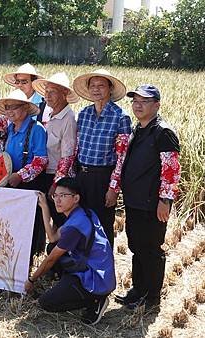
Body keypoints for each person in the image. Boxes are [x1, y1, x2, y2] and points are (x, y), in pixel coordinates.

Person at [116, 85, 181, 310]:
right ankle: (138, 290)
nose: (138, 105)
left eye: (144, 101)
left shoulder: (163, 132)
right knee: (136, 246)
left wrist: (165, 201)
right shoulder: (140, 129)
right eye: (135, 100)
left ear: (157, 105)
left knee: (151, 249)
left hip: (152, 204)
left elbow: (171, 171)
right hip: (135, 201)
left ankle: (152, 297)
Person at [27, 178, 116, 325]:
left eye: (63, 196)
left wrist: (31, 280)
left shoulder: (74, 226)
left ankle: (95, 300)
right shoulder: (82, 213)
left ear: (76, 198)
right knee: (52, 247)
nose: (57, 200)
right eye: (55, 195)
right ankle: (70, 287)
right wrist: (44, 207)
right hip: (96, 268)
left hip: (96, 279)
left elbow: (51, 260)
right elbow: (52, 237)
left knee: (46, 303)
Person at [72, 69, 132, 245]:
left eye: (101, 86)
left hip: (103, 178)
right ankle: (82, 269)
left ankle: (103, 269)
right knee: (81, 223)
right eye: (93, 86)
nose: (96, 89)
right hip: (82, 175)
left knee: (102, 226)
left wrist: (113, 188)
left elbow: (122, 158)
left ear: (110, 89)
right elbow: (77, 148)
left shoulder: (121, 117)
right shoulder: (83, 114)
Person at [0, 89, 48, 257]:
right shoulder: (10, 128)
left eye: (14, 107)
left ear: (25, 108)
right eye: (7, 107)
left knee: (27, 226)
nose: (10, 111)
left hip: (28, 184)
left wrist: (21, 175)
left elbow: (41, 160)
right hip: (10, 183)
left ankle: (26, 262)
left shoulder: (36, 129)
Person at [32, 72, 79, 227]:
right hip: (47, 173)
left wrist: (56, 185)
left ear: (64, 93)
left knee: (60, 221)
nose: (47, 96)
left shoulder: (68, 119)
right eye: (46, 92)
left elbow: (67, 156)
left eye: (52, 92)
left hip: (59, 178)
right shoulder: (52, 115)